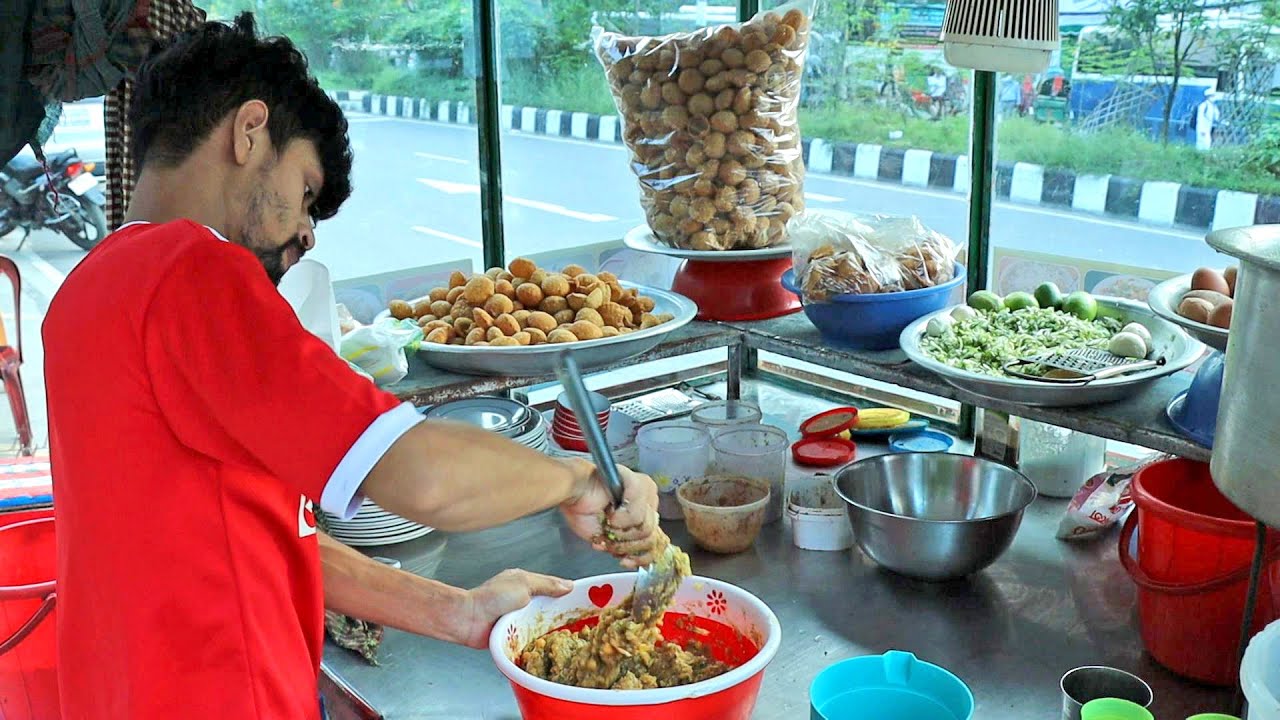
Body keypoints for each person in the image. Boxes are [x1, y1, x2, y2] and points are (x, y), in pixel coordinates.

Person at [41, 13, 662, 720]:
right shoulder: (194, 271)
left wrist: (458, 612)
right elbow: (421, 476)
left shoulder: (88, 293)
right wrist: (575, 479)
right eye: (306, 191)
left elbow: (259, 534)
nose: (305, 234)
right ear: (249, 132)